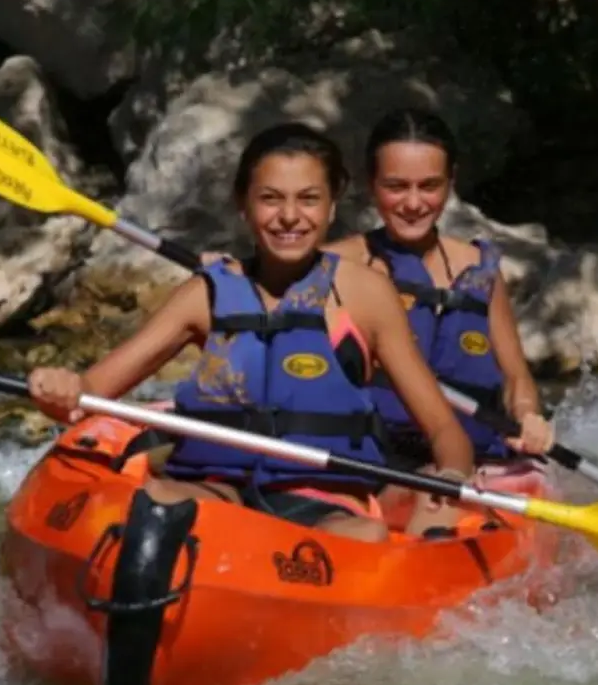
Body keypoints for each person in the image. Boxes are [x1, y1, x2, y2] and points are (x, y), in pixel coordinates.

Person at [26, 121, 476, 544]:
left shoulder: (365, 295)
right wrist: (61, 389)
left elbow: (444, 430)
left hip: (320, 499)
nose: (289, 216)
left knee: (366, 535)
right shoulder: (206, 294)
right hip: (215, 488)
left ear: (332, 207)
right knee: (153, 505)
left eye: (308, 199)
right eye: (270, 199)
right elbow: (91, 393)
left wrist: (452, 475)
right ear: (243, 205)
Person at [323, 107, 556, 535]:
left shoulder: (479, 270)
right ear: (371, 183)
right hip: (385, 464)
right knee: (435, 488)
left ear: (451, 182)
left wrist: (527, 415)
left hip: (478, 461)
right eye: (396, 186)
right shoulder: (335, 267)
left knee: (531, 479)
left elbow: (515, 377)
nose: (414, 203)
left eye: (429, 186)